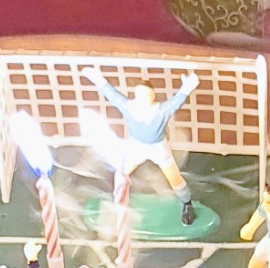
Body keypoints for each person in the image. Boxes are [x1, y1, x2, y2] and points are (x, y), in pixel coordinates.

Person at [82, 67, 200, 224]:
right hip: (136, 147)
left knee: (175, 179)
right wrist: (98, 79)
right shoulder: (129, 107)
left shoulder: (161, 111)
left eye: (146, 97)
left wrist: (188, 86)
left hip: (158, 148)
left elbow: (177, 100)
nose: (142, 100)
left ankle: (187, 204)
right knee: (121, 173)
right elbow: (112, 95)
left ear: (152, 97)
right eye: (139, 96)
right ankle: (116, 201)